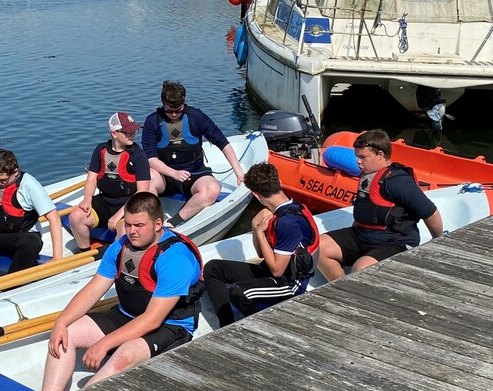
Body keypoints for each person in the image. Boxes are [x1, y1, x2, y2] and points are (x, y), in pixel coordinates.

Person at [41, 192, 203, 391]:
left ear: (158, 224)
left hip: (168, 326)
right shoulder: (120, 247)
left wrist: (104, 344)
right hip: (126, 315)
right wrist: (61, 322)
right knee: (67, 333)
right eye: (128, 224)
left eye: (139, 225)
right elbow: (92, 291)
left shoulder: (175, 259)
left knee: (122, 356)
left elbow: (152, 320)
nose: (132, 232)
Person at [317, 130, 444, 281]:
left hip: (394, 241)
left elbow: (431, 212)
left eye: (363, 157)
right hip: (362, 235)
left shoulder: (398, 181)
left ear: (380, 155)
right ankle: (340, 286)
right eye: (357, 157)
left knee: (361, 268)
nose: (358, 161)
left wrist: (438, 241)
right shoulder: (367, 173)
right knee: (318, 247)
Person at [203, 162, 320, 326]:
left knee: (240, 292)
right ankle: (226, 325)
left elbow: (277, 271)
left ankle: (263, 327)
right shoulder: (287, 210)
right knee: (213, 268)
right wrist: (255, 225)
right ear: (279, 182)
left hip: (290, 284)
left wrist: (259, 233)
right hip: (270, 270)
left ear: (256, 196)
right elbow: (260, 253)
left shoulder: (288, 222)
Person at [141, 80, 245, 225]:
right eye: (169, 111)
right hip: (165, 175)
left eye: (178, 109)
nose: (174, 114)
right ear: (162, 103)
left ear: (184, 101)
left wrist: (239, 173)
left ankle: (174, 222)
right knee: (148, 179)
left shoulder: (196, 117)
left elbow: (223, 143)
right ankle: (153, 222)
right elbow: (150, 158)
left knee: (213, 189)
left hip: (194, 173)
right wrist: (173, 173)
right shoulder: (152, 121)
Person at [70, 112, 151, 250]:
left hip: (128, 205)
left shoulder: (138, 155)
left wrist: (119, 215)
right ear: (114, 134)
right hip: (104, 201)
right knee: (76, 217)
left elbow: (142, 193)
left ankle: (113, 259)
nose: (132, 134)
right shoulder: (100, 150)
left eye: (134, 131)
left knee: (124, 232)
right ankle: (84, 252)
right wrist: (87, 199)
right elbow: (91, 178)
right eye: (127, 132)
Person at [0, 149, 64, 273]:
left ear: (15, 172)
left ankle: (10, 286)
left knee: (30, 243)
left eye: (3, 180)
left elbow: (54, 218)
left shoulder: (29, 185)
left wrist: (57, 258)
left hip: (20, 237)